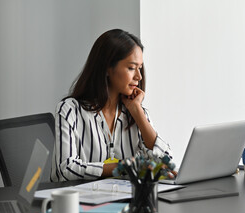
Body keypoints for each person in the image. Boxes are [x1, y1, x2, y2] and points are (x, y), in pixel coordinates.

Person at [51, 29, 172, 182]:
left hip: (125, 201)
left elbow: (166, 163)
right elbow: (66, 169)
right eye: (131, 68)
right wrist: (124, 166)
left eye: (140, 68)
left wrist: (138, 112)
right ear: (108, 68)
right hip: (80, 202)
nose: (139, 76)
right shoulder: (69, 110)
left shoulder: (136, 113)